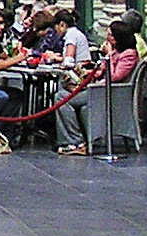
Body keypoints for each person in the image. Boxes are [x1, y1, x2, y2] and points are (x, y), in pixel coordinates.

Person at [56, 12, 142, 155]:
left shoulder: (129, 54)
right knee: (64, 94)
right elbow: (100, 70)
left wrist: (108, 56)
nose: (107, 38)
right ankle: (75, 140)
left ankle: (75, 141)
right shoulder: (116, 52)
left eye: (110, 35)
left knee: (61, 99)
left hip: (109, 93)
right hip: (99, 89)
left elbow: (114, 76)